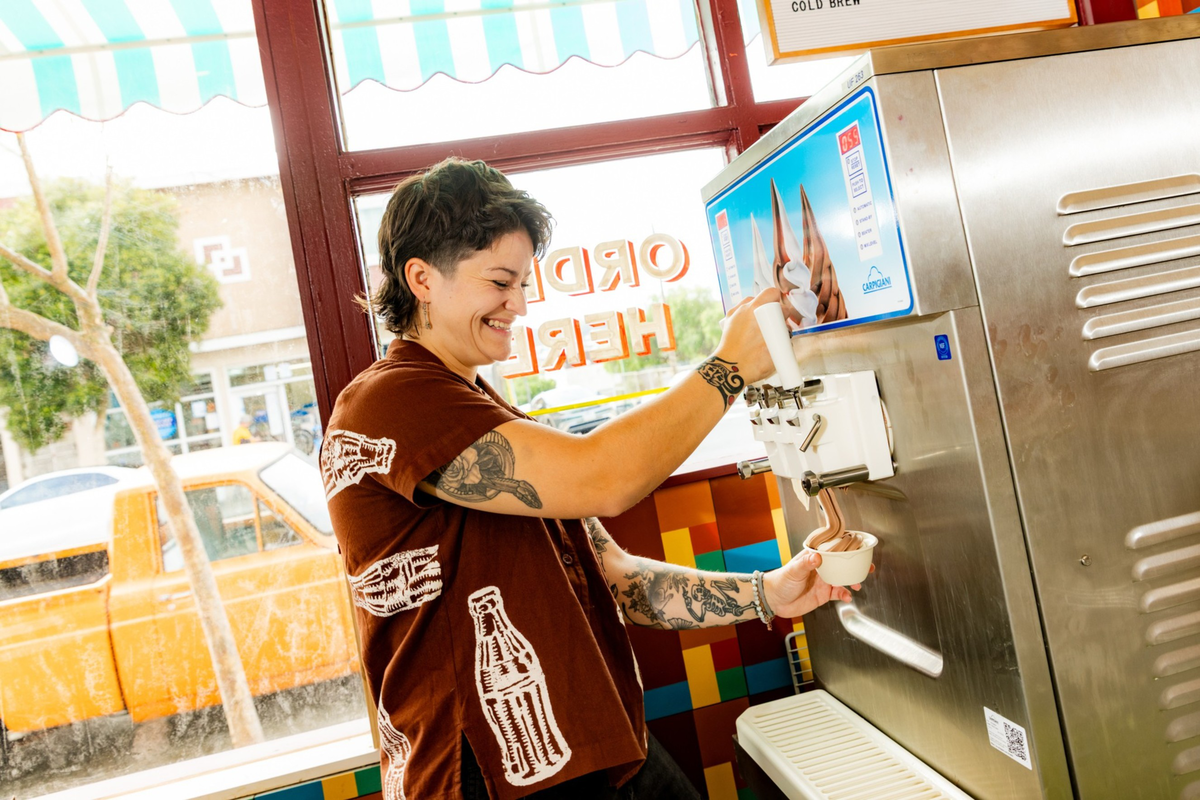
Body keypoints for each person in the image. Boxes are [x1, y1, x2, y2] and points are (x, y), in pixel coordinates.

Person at [319, 159, 864, 800]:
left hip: (594, 749)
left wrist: (767, 593)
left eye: (522, 282)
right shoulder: (393, 403)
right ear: (422, 279)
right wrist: (729, 366)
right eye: (500, 281)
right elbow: (606, 476)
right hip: (491, 774)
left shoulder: (483, 411)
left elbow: (618, 579)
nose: (518, 305)